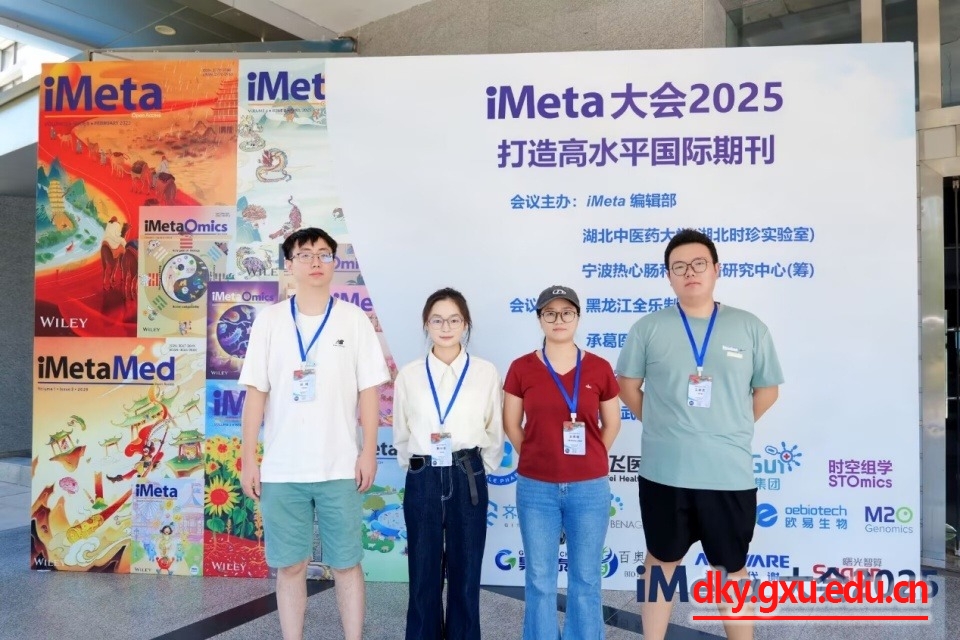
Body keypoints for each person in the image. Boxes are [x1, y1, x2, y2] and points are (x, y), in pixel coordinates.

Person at [615, 228, 784, 640]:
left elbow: (767, 390)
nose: (689, 272)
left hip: (727, 473)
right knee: (660, 563)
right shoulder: (648, 328)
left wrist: (731, 426)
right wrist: (663, 426)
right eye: (679, 266)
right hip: (665, 472)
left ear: (716, 269)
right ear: (668, 276)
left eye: (698, 264)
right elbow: (627, 385)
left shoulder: (749, 327)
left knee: (731, 568)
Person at [238, 227, 390, 640]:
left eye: (324, 254)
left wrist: (368, 451)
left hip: (340, 465)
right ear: (290, 265)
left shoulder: (353, 319)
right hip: (282, 469)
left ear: (334, 263)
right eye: (305, 255)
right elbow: (255, 394)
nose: (316, 262)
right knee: (290, 566)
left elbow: (369, 392)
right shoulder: (270, 321)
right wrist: (250, 459)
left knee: (347, 564)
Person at [502, 285, 623, 640]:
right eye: (550, 313)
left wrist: (589, 458)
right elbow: (512, 423)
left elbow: (612, 423)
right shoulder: (521, 368)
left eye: (567, 312)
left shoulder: (599, 368)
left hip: (589, 489)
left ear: (578, 317)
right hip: (536, 489)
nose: (559, 319)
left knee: (586, 576)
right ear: (540, 319)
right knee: (540, 577)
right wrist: (537, 456)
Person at [392, 287, 505, 640]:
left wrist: (478, 467)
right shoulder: (410, 374)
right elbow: (401, 432)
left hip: (466, 472)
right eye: (437, 320)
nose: (446, 327)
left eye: (454, 320)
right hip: (423, 475)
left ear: (465, 324)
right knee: (422, 571)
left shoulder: (485, 372)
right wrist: (418, 466)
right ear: (426, 324)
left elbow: (494, 427)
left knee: (466, 571)